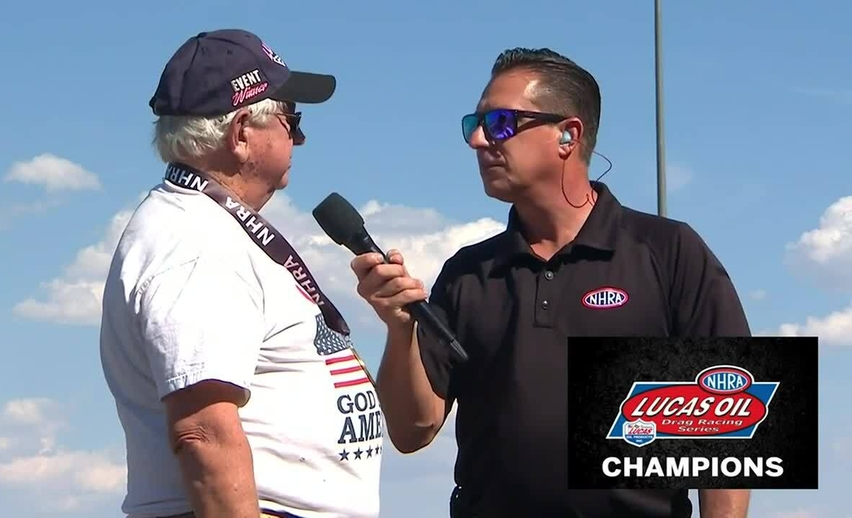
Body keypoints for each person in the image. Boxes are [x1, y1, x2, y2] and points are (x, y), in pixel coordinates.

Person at [351, 47, 751, 517]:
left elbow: (730, 427)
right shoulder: (468, 272)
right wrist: (400, 330)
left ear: (567, 134)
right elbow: (410, 432)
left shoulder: (669, 251)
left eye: (500, 123)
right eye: (474, 124)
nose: (478, 140)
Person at [99, 29, 382, 518]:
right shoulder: (195, 243)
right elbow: (202, 433)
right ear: (242, 132)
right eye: (292, 120)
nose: (300, 138)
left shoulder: (202, 228)